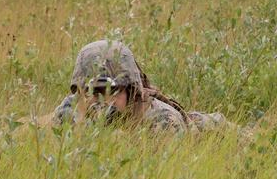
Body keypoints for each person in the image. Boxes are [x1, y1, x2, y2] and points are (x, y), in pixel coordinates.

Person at [44, 40, 227, 132]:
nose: (105, 101)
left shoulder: (162, 121)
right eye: (94, 92)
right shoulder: (69, 110)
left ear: (131, 91)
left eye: (114, 92)